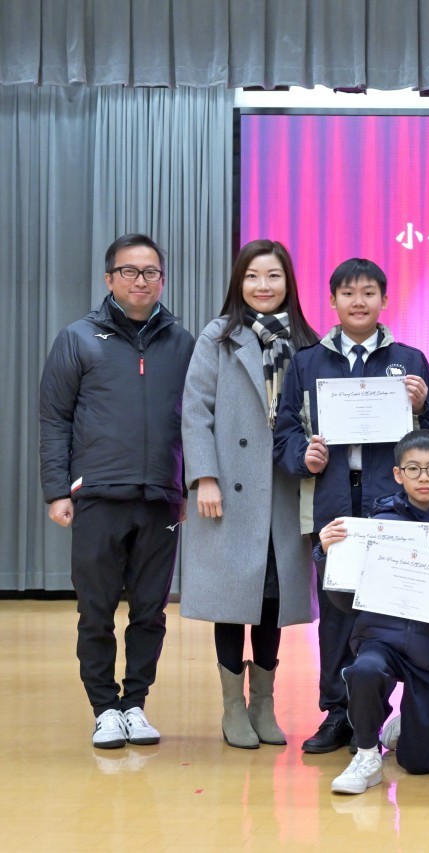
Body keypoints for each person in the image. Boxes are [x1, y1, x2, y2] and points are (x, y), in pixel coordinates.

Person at [273, 257, 429, 754]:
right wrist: (303, 456)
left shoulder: (410, 360)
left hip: (394, 504)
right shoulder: (307, 362)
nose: (358, 301)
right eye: (348, 293)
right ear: (332, 301)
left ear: (384, 300)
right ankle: (337, 713)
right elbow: (285, 431)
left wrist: (421, 407)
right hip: (333, 499)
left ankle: (379, 714)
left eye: (368, 293)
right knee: (337, 612)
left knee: (396, 606)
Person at [39, 233, 195, 748]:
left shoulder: (182, 342)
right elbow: (55, 419)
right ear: (109, 279)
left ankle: (135, 705)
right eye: (129, 271)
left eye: (150, 272)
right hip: (98, 496)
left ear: (162, 280)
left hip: (160, 499)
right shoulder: (77, 338)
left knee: (150, 612)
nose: (140, 280)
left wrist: (187, 484)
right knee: (96, 611)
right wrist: (57, 490)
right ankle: (105, 708)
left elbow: (195, 421)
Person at [180, 240, 321, 749]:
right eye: (253, 276)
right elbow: (195, 410)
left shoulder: (307, 341)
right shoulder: (218, 336)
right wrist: (205, 477)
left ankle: (264, 703)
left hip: (284, 487)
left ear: (289, 283)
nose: (263, 286)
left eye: (274, 276)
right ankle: (232, 708)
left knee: (272, 598)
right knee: (231, 598)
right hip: (229, 490)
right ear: (239, 282)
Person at [315, 430, 429, 794]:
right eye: (413, 469)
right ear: (397, 474)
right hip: (380, 639)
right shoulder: (376, 526)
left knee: (419, 765)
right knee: (364, 669)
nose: (423, 477)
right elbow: (344, 599)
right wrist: (326, 555)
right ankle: (366, 754)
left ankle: (403, 729)